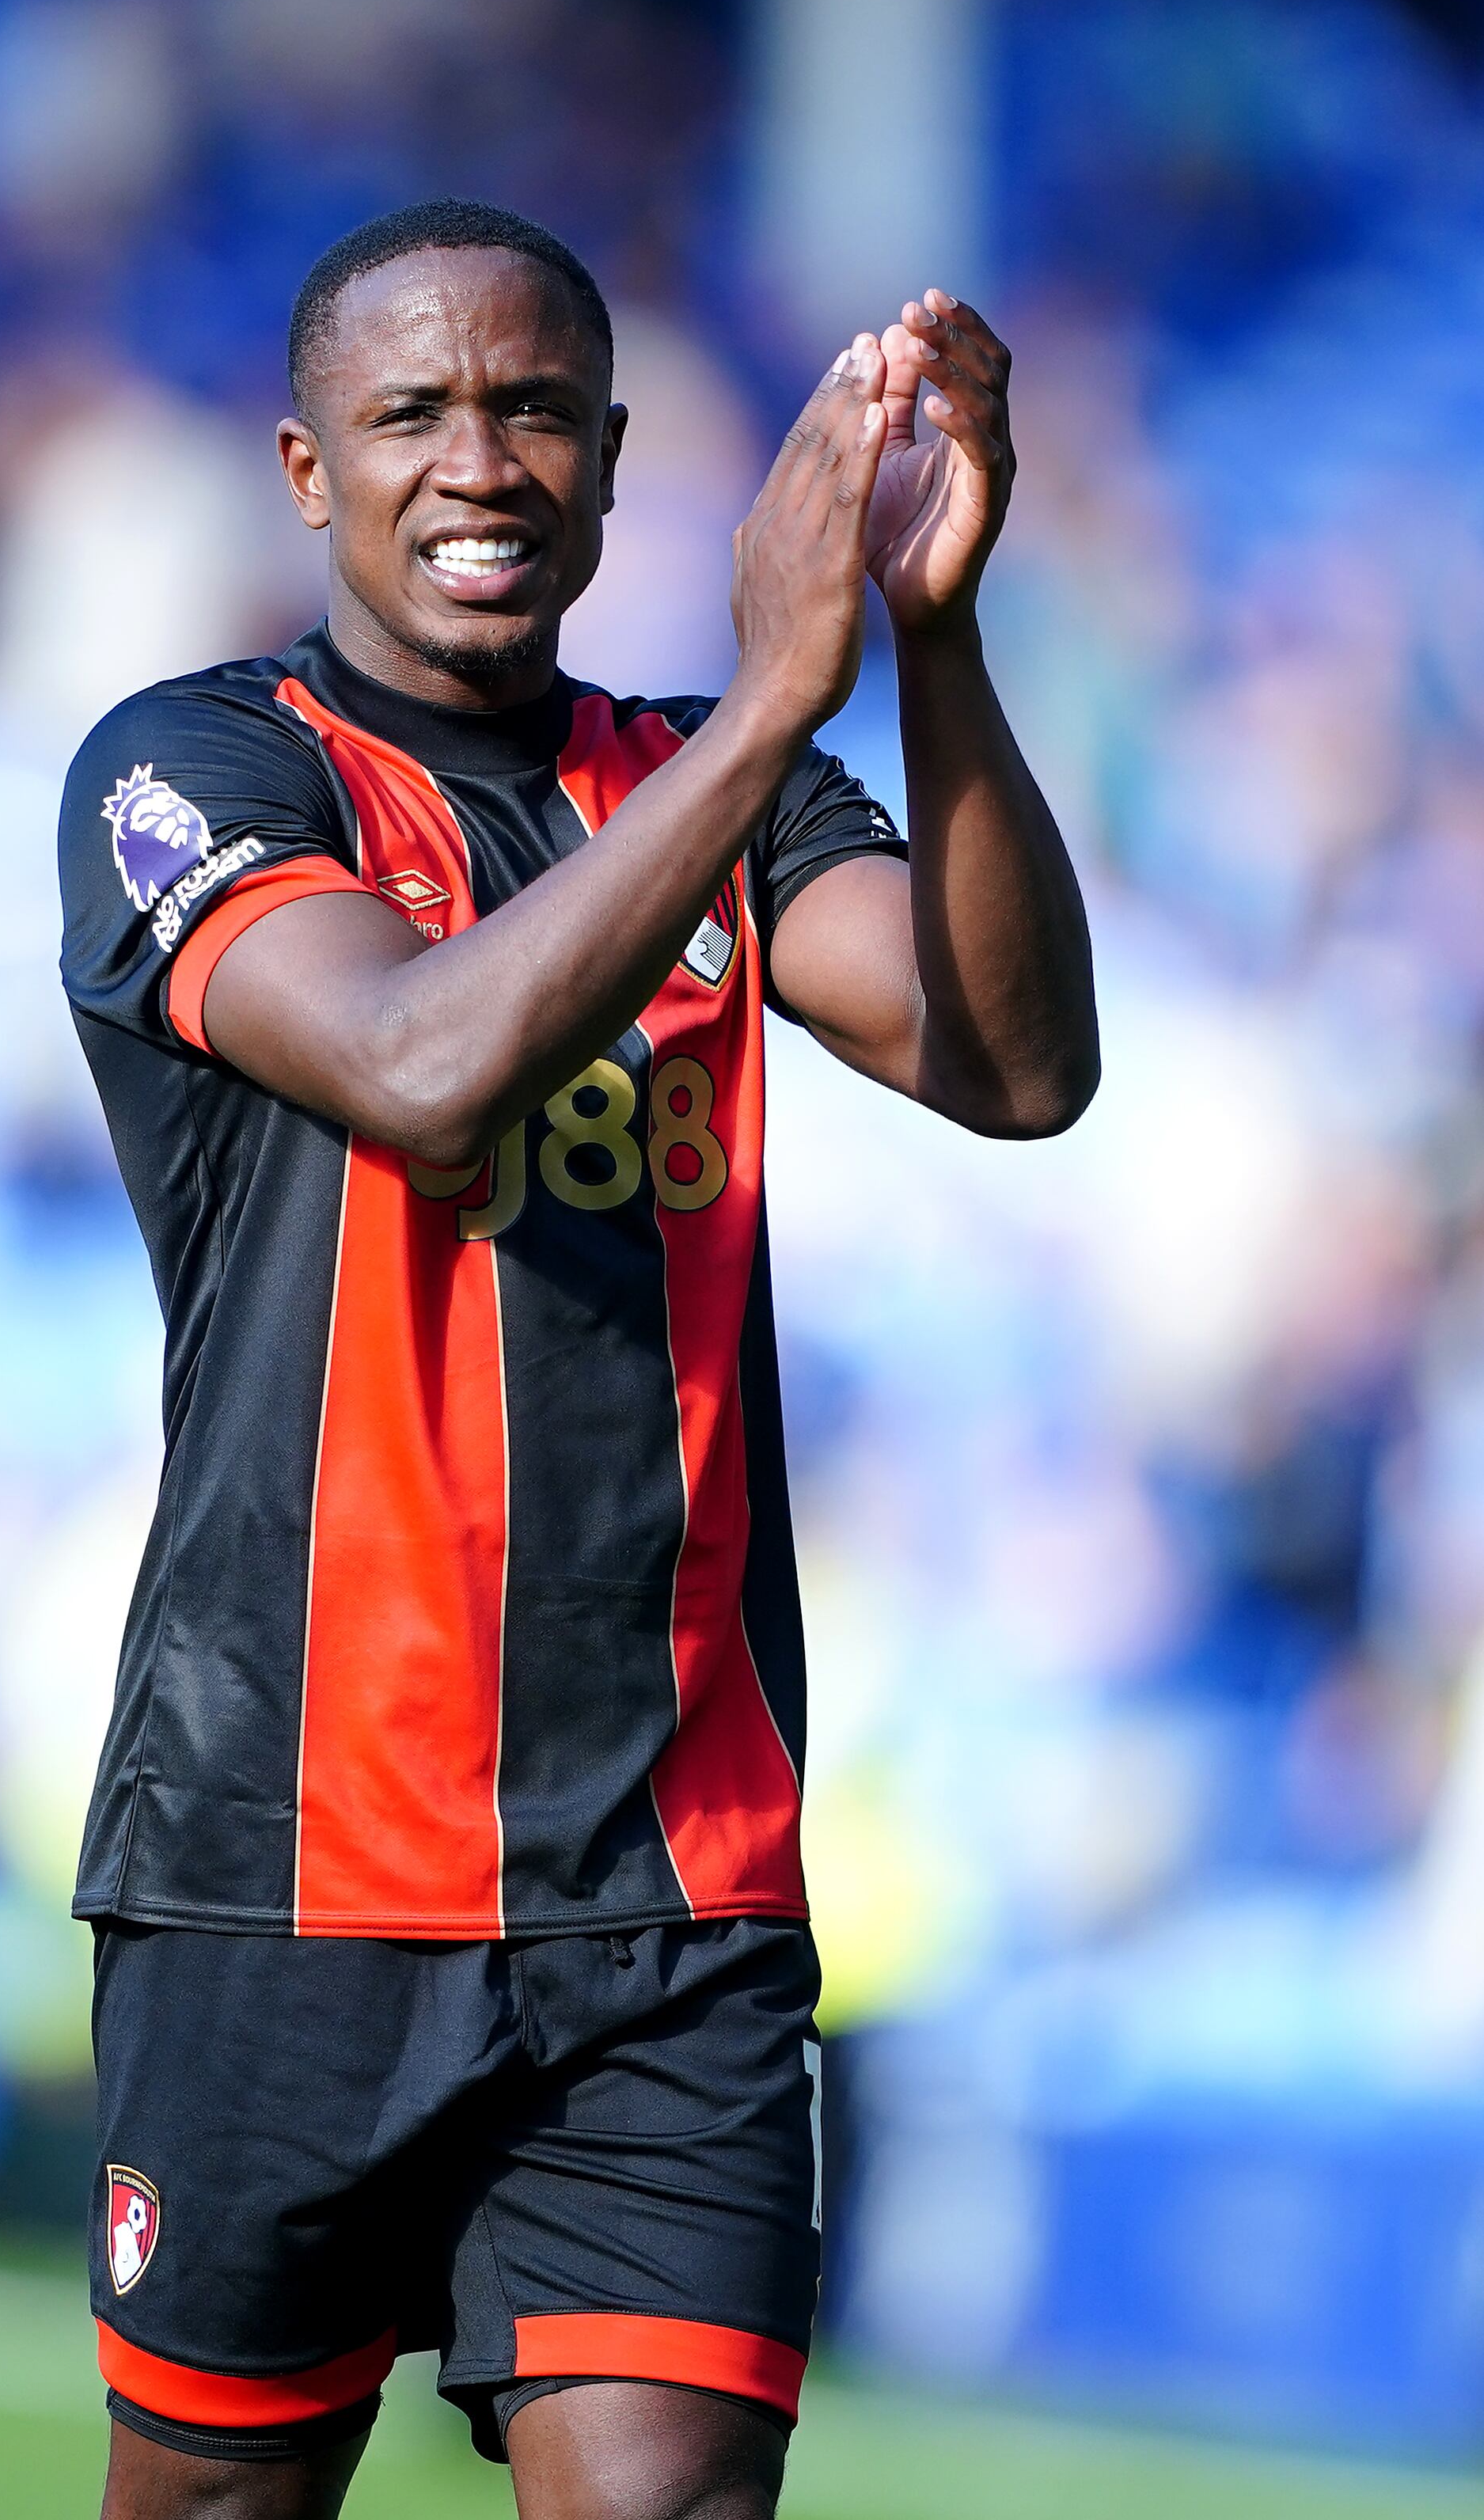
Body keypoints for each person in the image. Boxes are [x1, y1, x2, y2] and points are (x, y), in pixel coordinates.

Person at [57, 197, 1096, 2520]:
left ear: (615, 459)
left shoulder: (717, 783)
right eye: (411, 412)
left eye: (533, 408)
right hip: (285, 1852)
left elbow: (1014, 1066)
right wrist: (761, 710)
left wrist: (927, 647)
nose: (480, 461)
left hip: (671, 1880)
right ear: (308, 471)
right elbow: (423, 1066)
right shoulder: (190, 776)